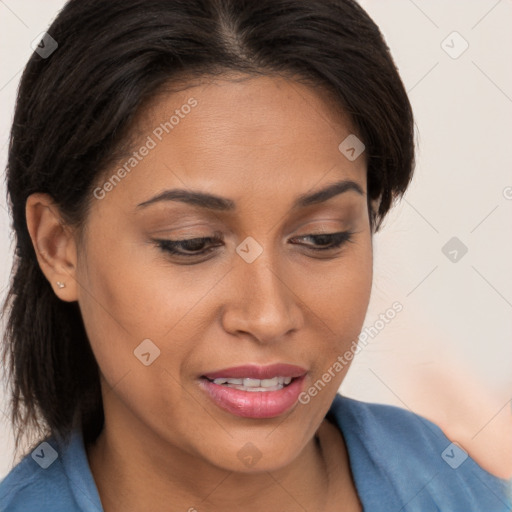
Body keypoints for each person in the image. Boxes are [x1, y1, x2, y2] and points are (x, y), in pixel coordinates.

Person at [0, 0, 510, 511]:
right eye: (191, 243)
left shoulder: (458, 488)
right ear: (58, 248)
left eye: (322, 236)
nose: (268, 315)